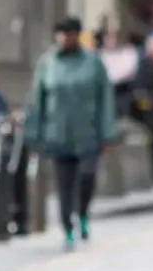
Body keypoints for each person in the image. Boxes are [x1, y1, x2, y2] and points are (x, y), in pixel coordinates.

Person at [23, 17, 117, 250]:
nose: (66, 38)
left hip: (88, 133)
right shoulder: (48, 64)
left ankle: (83, 213)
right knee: (64, 185)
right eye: (62, 34)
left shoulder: (93, 63)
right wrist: (33, 134)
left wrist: (107, 133)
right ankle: (68, 228)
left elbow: (105, 98)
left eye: (70, 34)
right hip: (58, 134)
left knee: (87, 175)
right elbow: (37, 101)